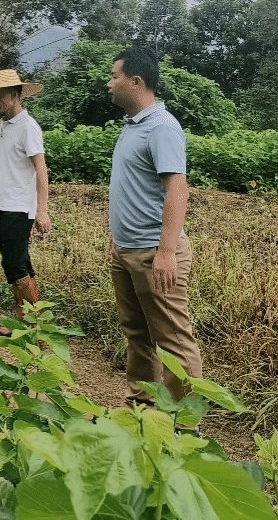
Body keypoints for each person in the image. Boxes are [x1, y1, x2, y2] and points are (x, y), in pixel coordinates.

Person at [106, 46, 203, 406]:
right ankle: (141, 410)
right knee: (138, 335)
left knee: (173, 341)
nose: (109, 83)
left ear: (136, 81)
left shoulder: (161, 127)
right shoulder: (133, 126)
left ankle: (184, 424)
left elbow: (177, 190)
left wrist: (166, 252)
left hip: (153, 252)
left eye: (114, 76)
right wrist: (116, 239)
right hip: (127, 250)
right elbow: (131, 189)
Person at [0, 69, 51, 322]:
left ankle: (34, 326)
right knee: (18, 263)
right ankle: (25, 321)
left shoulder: (28, 127)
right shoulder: (5, 124)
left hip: (19, 207)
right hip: (2, 204)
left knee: (14, 265)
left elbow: (41, 168)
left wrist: (42, 210)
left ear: (15, 96)